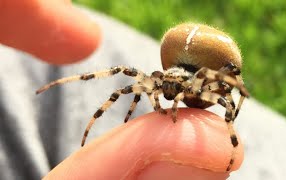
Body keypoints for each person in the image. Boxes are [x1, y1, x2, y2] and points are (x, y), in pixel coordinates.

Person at [0, 1, 243, 179]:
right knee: (122, 77)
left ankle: (230, 149)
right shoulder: (158, 80)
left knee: (225, 107)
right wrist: (127, 114)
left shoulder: (206, 82)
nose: (168, 90)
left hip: (200, 92)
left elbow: (228, 89)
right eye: (163, 81)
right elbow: (122, 89)